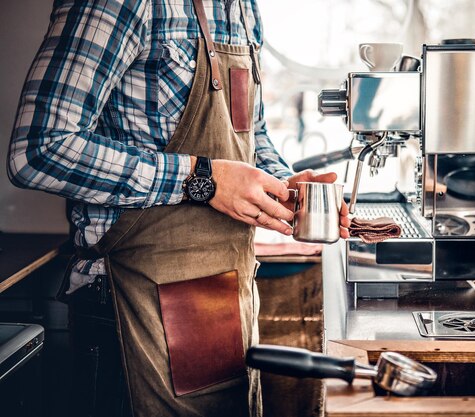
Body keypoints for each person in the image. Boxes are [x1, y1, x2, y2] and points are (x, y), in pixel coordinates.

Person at [7, 1, 350, 416]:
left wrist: (285, 187)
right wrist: (202, 179)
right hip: (132, 310)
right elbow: (39, 150)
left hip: (224, 305)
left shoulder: (242, 8)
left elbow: (250, 134)